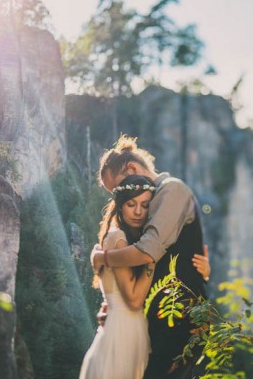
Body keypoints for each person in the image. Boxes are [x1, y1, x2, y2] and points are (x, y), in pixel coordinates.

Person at [91, 135, 209, 378]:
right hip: (156, 322)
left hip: (179, 320)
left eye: (118, 187)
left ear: (132, 168)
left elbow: (147, 252)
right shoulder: (145, 208)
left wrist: (103, 258)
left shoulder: (172, 190)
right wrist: (115, 307)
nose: (120, 198)